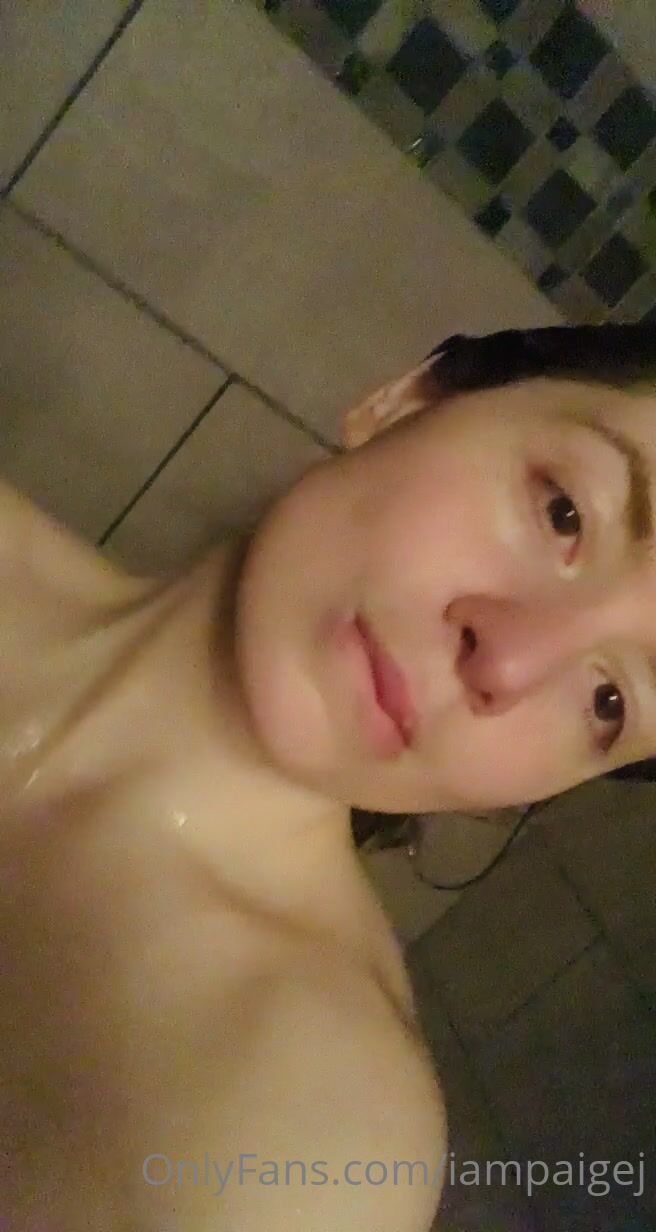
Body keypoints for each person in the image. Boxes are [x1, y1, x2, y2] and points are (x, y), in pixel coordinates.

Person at [2, 320, 656, 1230]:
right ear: (406, 403)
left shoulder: (304, 1126)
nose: (509, 661)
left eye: (609, 702)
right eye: (565, 514)